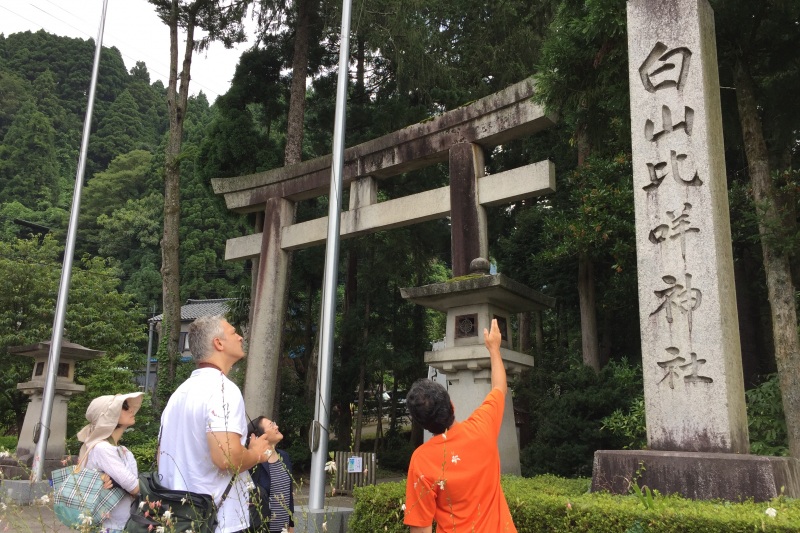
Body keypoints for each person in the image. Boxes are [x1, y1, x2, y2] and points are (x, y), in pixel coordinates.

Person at [158, 315, 272, 533]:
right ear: (218, 343)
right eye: (233, 333)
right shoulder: (222, 389)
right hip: (218, 521)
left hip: (179, 518)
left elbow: (161, 455)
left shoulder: (178, 394)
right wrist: (257, 453)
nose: (240, 337)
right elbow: (227, 458)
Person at [403, 318, 517, 532]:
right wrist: (494, 349)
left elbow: (421, 527)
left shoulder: (422, 460)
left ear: (423, 424)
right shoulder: (482, 427)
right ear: (452, 405)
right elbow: (499, 386)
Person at [77, 392, 144, 533]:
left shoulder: (123, 451)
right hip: (108, 526)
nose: (131, 410)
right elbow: (133, 486)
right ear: (110, 416)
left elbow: (134, 489)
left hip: (123, 523)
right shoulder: (102, 448)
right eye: (125, 407)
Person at [246, 416, 294, 533]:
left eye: (274, 423)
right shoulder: (253, 460)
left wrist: (291, 525)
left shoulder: (284, 457)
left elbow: (289, 494)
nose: (276, 426)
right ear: (260, 435)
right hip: (261, 527)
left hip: (283, 529)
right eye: (271, 425)